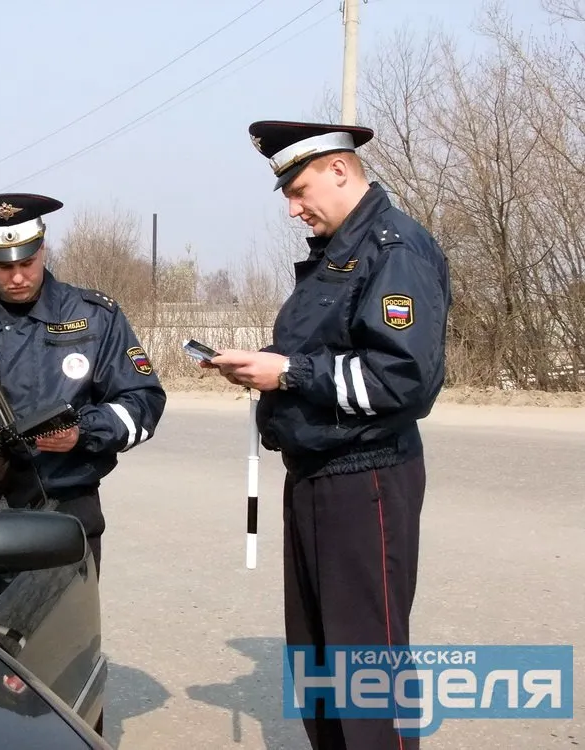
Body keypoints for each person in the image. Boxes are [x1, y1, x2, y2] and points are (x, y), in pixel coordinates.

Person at [204, 120, 452, 749]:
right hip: (316, 473)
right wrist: (267, 368)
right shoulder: (336, 253)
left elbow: (402, 380)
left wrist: (288, 372)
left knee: (366, 666)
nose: (293, 208)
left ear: (340, 170)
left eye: (299, 190)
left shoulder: (395, 249)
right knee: (318, 662)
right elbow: (327, 354)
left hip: (366, 477)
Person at [0, 192, 167, 577]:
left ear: (43, 249)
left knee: (66, 619)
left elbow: (142, 401)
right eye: (4, 266)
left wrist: (83, 433)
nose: (17, 277)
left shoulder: (96, 316)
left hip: (68, 512)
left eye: (27, 262)